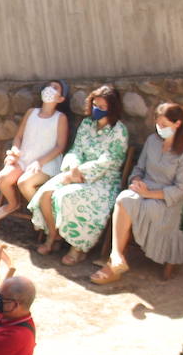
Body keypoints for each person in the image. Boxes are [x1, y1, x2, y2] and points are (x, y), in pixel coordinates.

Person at [92, 102, 183, 284]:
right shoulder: (152, 141)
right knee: (124, 198)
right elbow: (139, 168)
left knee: (128, 203)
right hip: (144, 190)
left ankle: (113, 262)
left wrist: (149, 194)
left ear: (177, 124)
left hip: (167, 201)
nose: (160, 128)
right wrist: (135, 181)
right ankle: (116, 257)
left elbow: (180, 190)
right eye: (158, 124)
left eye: (164, 125)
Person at [30, 84, 129, 265]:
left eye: (102, 107)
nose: (97, 110)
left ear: (112, 108)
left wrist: (80, 172)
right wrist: (73, 167)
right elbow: (76, 150)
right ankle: (53, 235)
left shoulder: (119, 131)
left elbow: (109, 161)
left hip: (102, 180)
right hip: (74, 172)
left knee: (67, 197)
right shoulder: (87, 124)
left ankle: (77, 247)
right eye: (95, 105)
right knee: (44, 194)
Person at [0, 80, 70, 220]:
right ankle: (13, 204)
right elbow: (18, 137)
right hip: (24, 158)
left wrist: (39, 162)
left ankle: (41, 217)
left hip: (46, 163)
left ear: (61, 98)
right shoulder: (31, 113)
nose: (49, 89)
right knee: (2, 178)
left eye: (55, 88)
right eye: (48, 86)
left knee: (25, 183)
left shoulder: (60, 118)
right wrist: (14, 152)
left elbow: (60, 146)